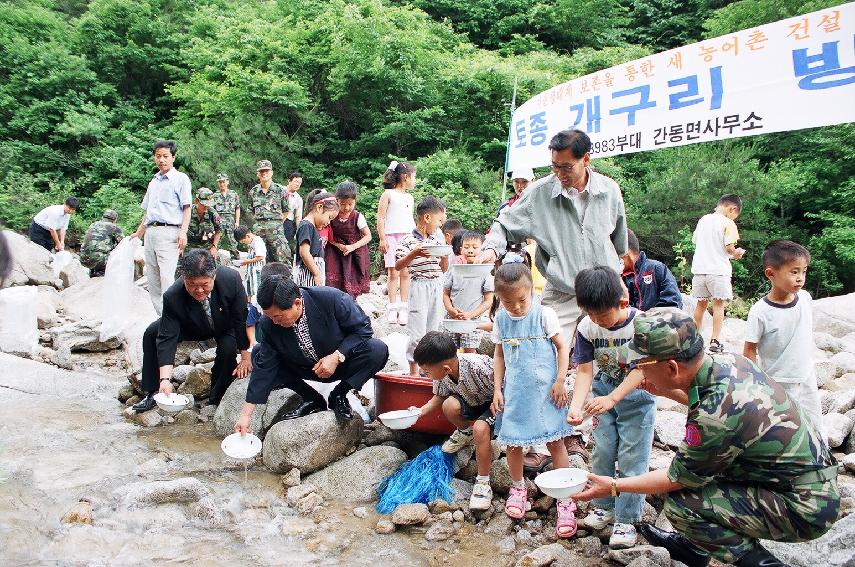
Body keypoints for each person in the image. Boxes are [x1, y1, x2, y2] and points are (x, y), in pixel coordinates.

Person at [575, 307, 839, 567]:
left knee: (682, 505)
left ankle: (763, 564)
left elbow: (676, 478)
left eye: (640, 365)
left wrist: (612, 485)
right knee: (708, 469)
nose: (635, 371)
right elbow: (704, 406)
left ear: (672, 367)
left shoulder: (713, 417)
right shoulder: (728, 362)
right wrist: (665, 392)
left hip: (805, 506)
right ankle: (695, 550)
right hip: (801, 479)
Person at [480, 128, 629, 466]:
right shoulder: (540, 193)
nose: (559, 174)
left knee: (609, 358)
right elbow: (505, 224)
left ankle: (587, 432)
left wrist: (618, 274)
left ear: (585, 160)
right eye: (554, 166)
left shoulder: (608, 190)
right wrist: (491, 248)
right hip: (562, 288)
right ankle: (541, 433)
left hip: (604, 289)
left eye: (566, 167)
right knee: (541, 354)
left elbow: (619, 239)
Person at [567, 266, 652, 549]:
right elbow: (583, 372)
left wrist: (613, 398)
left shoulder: (642, 325)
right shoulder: (586, 328)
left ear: (623, 302)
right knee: (603, 451)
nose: (597, 320)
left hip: (636, 401)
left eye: (602, 315)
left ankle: (626, 519)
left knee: (632, 457)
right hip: (602, 400)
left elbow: (643, 371)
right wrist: (577, 406)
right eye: (590, 313)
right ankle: (603, 506)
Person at [234, 275, 389, 428]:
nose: (274, 322)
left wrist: (337, 356)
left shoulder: (332, 299)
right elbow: (265, 367)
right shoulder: (269, 323)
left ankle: (339, 394)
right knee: (259, 352)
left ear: (297, 303)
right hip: (304, 367)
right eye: (270, 317)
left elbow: (363, 330)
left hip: (341, 363)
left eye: (278, 316)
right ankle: (312, 398)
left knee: (377, 350)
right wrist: (245, 416)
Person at [490, 261, 576, 535]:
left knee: (555, 442)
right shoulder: (501, 320)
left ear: (532, 292)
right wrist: (497, 389)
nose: (515, 307)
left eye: (521, 300)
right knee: (513, 444)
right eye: (507, 301)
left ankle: (566, 498)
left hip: (548, 391)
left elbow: (563, 348)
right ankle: (518, 489)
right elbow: (500, 354)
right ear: (499, 299)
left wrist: (560, 381)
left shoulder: (544, 315)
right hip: (515, 392)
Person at [133, 249, 251, 412]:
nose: (199, 290)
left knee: (228, 349)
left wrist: (246, 357)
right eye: (192, 285)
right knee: (152, 332)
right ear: (183, 277)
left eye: (204, 285)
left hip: (225, 324)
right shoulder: (173, 295)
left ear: (214, 276)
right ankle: (153, 391)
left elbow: (241, 318)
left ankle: (216, 398)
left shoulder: (231, 279)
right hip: (191, 325)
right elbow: (167, 336)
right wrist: (165, 379)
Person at [412, 331, 497, 511]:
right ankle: (465, 432)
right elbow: (439, 396)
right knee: (449, 405)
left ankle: (483, 482)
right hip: (473, 400)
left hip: (497, 402)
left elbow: (504, 386)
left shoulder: (478, 367)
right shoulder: (442, 374)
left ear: (446, 369)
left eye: (426, 371)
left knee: (481, 429)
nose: (424, 374)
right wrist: (420, 412)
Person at [743, 240, 823, 432]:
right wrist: (753, 384)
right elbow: (749, 350)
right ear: (771, 273)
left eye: (804, 271)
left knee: (815, 425)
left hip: (806, 376)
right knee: (786, 430)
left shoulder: (805, 298)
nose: (800, 278)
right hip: (778, 382)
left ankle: (820, 459)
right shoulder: (760, 312)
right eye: (794, 272)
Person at [131, 140, 193, 315]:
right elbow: (148, 213)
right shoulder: (154, 181)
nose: (161, 160)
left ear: (173, 157)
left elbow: (186, 208)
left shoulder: (181, 179)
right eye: (158, 156)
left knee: (166, 277)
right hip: (150, 233)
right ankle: (161, 317)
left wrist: (183, 232)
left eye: (165, 156)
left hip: (170, 232)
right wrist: (137, 234)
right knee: (152, 279)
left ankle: (174, 317)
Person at [395, 196, 448, 375]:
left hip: (436, 285)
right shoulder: (408, 240)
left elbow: (443, 268)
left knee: (433, 330)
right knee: (417, 332)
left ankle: (429, 369)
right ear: (427, 218)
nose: (440, 226)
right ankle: (413, 370)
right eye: (439, 221)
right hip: (419, 285)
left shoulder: (437, 240)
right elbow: (398, 265)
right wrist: (415, 253)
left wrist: (445, 255)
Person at [690, 194, 746, 353]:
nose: (734, 218)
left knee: (700, 305)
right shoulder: (728, 223)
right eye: (735, 215)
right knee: (718, 305)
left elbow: (695, 241)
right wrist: (737, 253)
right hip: (718, 272)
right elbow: (729, 248)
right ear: (732, 209)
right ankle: (714, 341)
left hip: (699, 271)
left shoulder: (703, 220)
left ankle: (694, 339)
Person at [377, 160, 416, 325]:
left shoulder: (410, 197)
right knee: (393, 273)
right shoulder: (388, 194)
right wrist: (382, 238)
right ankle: (392, 307)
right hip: (391, 236)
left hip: (408, 237)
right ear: (405, 177)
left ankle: (404, 307)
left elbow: (410, 219)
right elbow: (381, 216)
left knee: (406, 273)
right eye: (414, 177)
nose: (415, 180)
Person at [443, 231, 494, 353]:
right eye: (466, 247)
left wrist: (470, 315)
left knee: (470, 353)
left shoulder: (485, 272)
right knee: (448, 352)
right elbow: (445, 293)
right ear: (461, 250)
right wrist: (450, 310)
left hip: (473, 320)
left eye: (475, 247)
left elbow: (488, 301)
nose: (470, 250)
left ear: (482, 250)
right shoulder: (453, 269)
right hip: (452, 318)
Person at [325, 181, 371, 298]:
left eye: (350, 204)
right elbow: (327, 235)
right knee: (333, 281)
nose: (346, 208)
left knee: (352, 282)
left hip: (354, 253)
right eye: (343, 204)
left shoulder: (357, 216)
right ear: (337, 201)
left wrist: (352, 247)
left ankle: (351, 305)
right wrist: (337, 245)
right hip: (335, 251)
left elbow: (368, 236)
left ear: (355, 201)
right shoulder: (332, 215)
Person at [622, 229, 683, 310]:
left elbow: (673, 303)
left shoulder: (656, 268)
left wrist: (647, 319)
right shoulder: (619, 278)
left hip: (659, 321)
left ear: (626, 252)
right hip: (631, 322)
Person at [248, 160, 290, 264]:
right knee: (259, 262)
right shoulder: (253, 192)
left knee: (283, 260)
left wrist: (275, 224)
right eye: (261, 171)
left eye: (266, 171)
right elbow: (251, 211)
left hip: (276, 232)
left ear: (271, 172)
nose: (264, 173)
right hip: (259, 232)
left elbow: (285, 211)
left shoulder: (280, 190)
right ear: (257, 174)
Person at [295, 189, 339, 286]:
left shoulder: (312, 227)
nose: (328, 223)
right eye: (329, 218)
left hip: (314, 273)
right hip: (308, 275)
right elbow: (304, 253)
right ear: (319, 207)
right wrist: (316, 273)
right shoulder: (306, 226)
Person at [246, 262, 289, 349]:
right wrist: (253, 342)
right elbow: (250, 324)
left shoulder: (291, 299)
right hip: (265, 337)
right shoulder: (257, 301)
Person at [80, 209, 123, 277]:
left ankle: (94, 272)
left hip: (83, 259)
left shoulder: (93, 225)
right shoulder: (114, 227)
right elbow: (123, 244)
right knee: (118, 249)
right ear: (114, 220)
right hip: (99, 261)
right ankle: (104, 274)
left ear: (102, 217)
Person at [186, 187, 222, 259]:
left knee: (214, 267)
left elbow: (219, 230)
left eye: (208, 204)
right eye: (204, 204)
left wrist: (214, 247)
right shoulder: (187, 212)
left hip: (207, 246)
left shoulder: (212, 213)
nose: (206, 207)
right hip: (189, 246)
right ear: (196, 201)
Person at [233, 225, 266, 303]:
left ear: (247, 236)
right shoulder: (251, 242)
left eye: (243, 242)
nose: (244, 244)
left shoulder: (257, 241)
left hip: (257, 271)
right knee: (249, 290)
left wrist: (246, 262)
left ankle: (256, 307)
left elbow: (260, 256)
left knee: (256, 291)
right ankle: (249, 305)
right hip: (250, 271)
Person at [212, 173, 240, 255]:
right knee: (217, 240)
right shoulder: (215, 195)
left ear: (227, 182)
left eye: (223, 182)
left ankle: (235, 259)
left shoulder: (233, 194)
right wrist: (215, 222)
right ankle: (215, 260)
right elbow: (212, 210)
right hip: (219, 219)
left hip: (230, 220)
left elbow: (237, 208)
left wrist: (237, 221)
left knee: (232, 240)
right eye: (220, 182)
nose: (222, 184)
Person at [283, 172, 304, 254]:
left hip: (288, 223)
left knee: (284, 245)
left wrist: (298, 231)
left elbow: (298, 216)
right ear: (289, 181)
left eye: (300, 183)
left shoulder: (298, 198)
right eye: (296, 181)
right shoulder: (280, 190)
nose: (298, 184)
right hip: (275, 219)